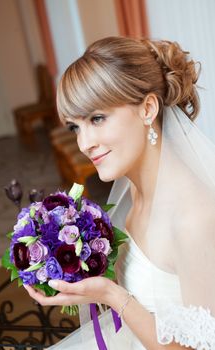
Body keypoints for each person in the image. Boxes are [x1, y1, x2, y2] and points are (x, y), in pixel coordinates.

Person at [24, 36, 215, 349]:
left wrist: (111, 296)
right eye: (75, 127)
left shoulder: (194, 218)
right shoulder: (134, 192)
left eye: (97, 118)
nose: (84, 143)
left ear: (147, 109)